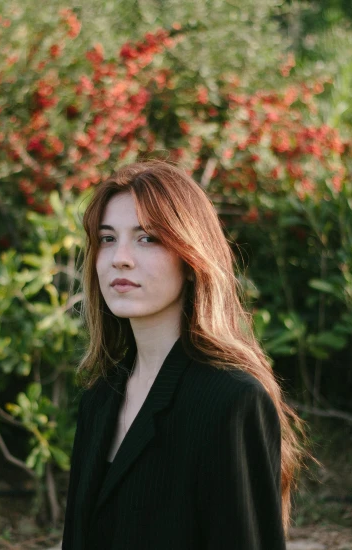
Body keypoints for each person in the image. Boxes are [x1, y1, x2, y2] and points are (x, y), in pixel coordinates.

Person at [62, 160, 305, 550]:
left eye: (147, 238)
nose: (119, 258)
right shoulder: (100, 397)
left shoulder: (232, 401)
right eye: (107, 239)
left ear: (191, 259)